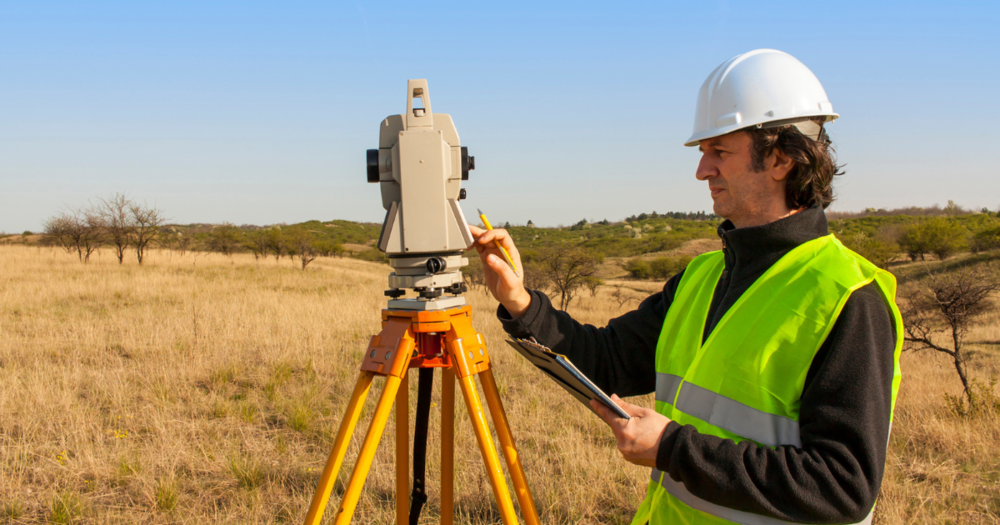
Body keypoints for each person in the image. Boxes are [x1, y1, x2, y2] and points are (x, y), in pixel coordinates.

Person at [469, 49, 902, 525]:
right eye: (703, 153)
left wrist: (674, 448)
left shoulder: (849, 298)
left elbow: (843, 486)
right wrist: (519, 300)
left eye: (719, 151)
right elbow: (607, 361)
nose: (702, 171)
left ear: (780, 159)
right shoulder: (702, 278)